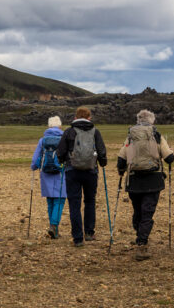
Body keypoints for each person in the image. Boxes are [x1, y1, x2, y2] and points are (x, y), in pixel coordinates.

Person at [117, 109, 174, 261]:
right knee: (147, 212)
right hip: (153, 179)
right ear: (152, 120)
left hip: (134, 180)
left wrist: (121, 172)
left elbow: (121, 159)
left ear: (138, 120)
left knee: (138, 210)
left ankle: (139, 234)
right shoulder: (156, 135)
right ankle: (142, 243)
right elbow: (169, 158)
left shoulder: (131, 136)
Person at [56, 106, 107, 247]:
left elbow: (60, 152)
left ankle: (78, 238)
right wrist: (102, 163)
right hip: (91, 171)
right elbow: (102, 151)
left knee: (74, 204)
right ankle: (89, 233)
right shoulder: (95, 131)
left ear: (75, 117)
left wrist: (63, 162)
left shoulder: (69, 131)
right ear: (89, 117)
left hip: (72, 171)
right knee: (90, 201)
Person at [30, 116, 66, 239]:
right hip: (61, 173)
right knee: (59, 200)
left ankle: (53, 228)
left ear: (49, 126)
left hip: (46, 173)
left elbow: (36, 158)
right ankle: (54, 226)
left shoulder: (43, 140)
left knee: (50, 200)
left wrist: (33, 167)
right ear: (60, 126)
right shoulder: (64, 139)